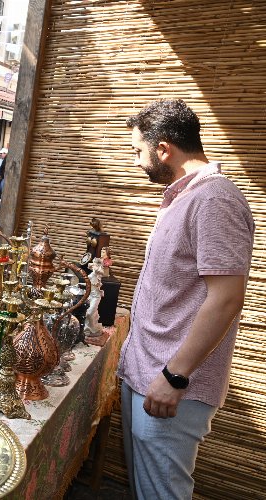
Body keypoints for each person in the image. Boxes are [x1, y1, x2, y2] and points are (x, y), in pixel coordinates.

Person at [117, 99, 254, 499]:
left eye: (138, 151)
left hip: (172, 385)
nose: (137, 162)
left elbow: (227, 298)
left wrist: (175, 375)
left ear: (164, 149)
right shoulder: (184, 196)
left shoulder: (215, 200)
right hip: (148, 374)